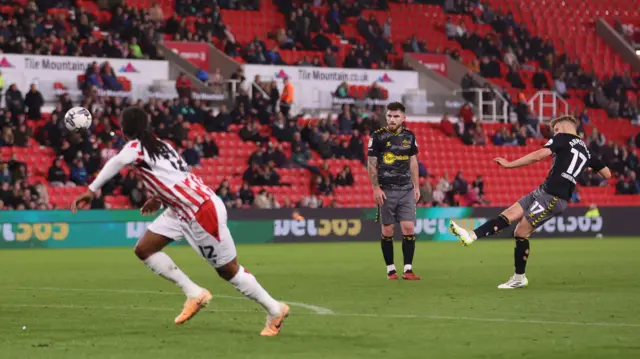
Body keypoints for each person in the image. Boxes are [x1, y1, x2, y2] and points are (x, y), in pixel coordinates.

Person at [70, 107, 289, 336]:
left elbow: (116, 162)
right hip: (180, 209)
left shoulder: (135, 148)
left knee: (228, 270)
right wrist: (158, 197)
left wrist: (91, 190)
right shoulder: (162, 145)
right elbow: (177, 175)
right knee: (145, 248)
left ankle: (275, 310)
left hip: (200, 211)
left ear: (125, 129)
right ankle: (194, 292)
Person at [449, 116, 611, 289]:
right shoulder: (587, 151)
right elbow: (607, 174)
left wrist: (510, 165)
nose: (554, 134)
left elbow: (538, 156)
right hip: (545, 191)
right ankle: (471, 236)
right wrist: (580, 168)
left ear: (564, 127)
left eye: (555, 130)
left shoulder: (562, 137)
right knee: (508, 214)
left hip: (553, 195)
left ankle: (519, 278)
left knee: (521, 232)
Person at [367, 102, 421, 280]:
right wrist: (375, 187)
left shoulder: (410, 136)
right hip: (386, 189)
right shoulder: (377, 136)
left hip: (406, 189)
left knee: (408, 227)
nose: (391, 119)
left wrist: (417, 185)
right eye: (389, 115)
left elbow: (413, 162)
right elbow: (371, 164)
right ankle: (391, 269)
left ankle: (408, 269)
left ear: (403, 118)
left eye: (396, 116)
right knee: (388, 229)